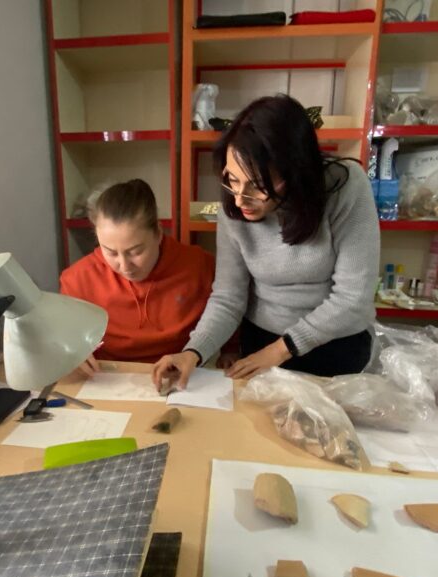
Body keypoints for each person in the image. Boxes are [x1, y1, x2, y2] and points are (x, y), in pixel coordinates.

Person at [153, 95, 380, 389]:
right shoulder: (234, 207)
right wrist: (193, 352)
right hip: (261, 341)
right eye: (232, 179)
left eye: (258, 186)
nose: (240, 199)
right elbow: (228, 297)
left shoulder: (345, 186)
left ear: (296, 173)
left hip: (336, 344)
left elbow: (353, 298)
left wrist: (280, 351)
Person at [60, 179, 221, 375]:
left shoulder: (199, 266)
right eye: (110, 252)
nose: (124, 266)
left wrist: (229, 350)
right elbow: (63, 337)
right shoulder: (78, 280)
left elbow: (225, 309)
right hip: (108, 377)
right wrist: (71, 350)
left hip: (179, 373)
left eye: (135, 251)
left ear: (158, 234)